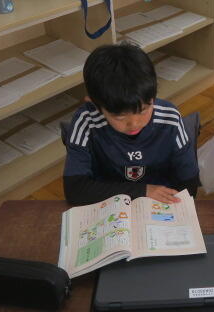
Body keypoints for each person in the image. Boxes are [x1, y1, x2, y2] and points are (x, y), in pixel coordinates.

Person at [62, 43, 199, 205]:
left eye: (143, 110)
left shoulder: (169, 118)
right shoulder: (86, 121)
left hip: (159, 203)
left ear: (153, 97)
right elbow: (75, 189)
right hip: (108, 204)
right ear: (95, 104)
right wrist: (141, 191)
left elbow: (189, 184)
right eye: (119, 116)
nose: (134, 124)